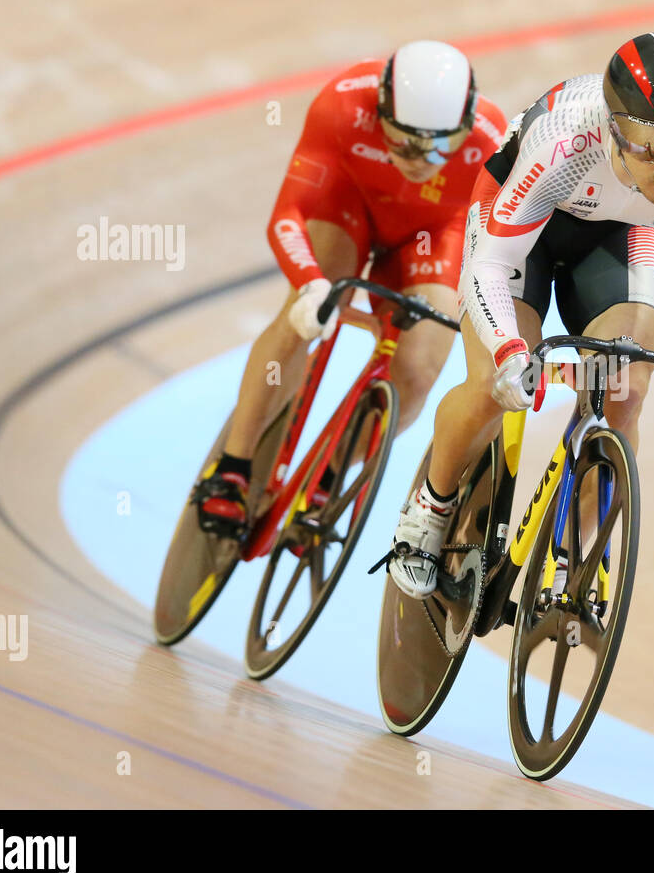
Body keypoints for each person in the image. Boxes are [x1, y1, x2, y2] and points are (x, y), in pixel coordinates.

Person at [385, 32, 654, 599]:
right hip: (518, 225)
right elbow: (492, 265)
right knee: (494, 385)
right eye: (649, 140)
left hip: (616, 234)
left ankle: (574, 557)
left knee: (625, 386)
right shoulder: (565, 142)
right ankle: (430, 507)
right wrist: (509, 350)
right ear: (613, 126)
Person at [193, 40, 508, 538]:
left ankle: (330, 477)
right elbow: (287, 215)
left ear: (467, 126)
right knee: (306, 312)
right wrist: (311, 286)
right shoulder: (341, 104)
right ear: (379, 112)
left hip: (433, 234)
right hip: (350, 207)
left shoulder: (493, 142)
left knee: (420, 368)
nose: (421, 159)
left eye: (440, 145)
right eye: (402, 141)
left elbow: (499, 248)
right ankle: (232, 467)